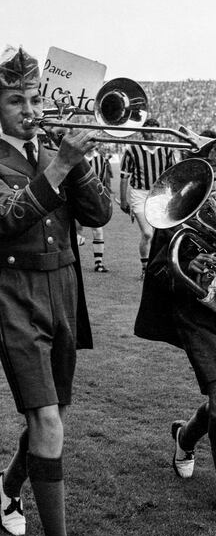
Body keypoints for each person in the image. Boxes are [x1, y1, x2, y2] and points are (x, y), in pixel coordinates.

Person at [0, 46, 111, 536]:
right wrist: (60, 165)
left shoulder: (56, 153)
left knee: (55, 415)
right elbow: (5, 219)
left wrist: (76, 161)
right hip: (16, 294)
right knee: (47, 419)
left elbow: (100, 216)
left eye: (34, 97)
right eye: (16, 100)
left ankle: (8, 484)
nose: (29, 108)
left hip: (64, 289)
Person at [135, 223, 216, 482]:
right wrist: (188, 264)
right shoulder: (191, 209)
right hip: (200, 317)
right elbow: (157, 269)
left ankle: (185, 436)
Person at [119, 119, 178, 277]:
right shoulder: (133, 149)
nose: (152, 133)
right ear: (143, 132)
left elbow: (173, 174)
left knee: (162, 234)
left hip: (160, 194)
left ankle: (158, 268)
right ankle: (146, 269)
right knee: (147, 233)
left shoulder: (167, 150)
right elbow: (124, 176)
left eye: (155, 130)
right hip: (139, 193)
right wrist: (124, 201)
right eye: (148, 130)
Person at [79, 147, 112, 272]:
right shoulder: (78, 156)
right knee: (76, 232)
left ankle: (99, 263)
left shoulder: (101, 159)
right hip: (77, 198)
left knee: (98, 230)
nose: (92, 143)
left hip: (94, 198)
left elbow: (102, 181)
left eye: (94, 140)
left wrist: (103, 197)